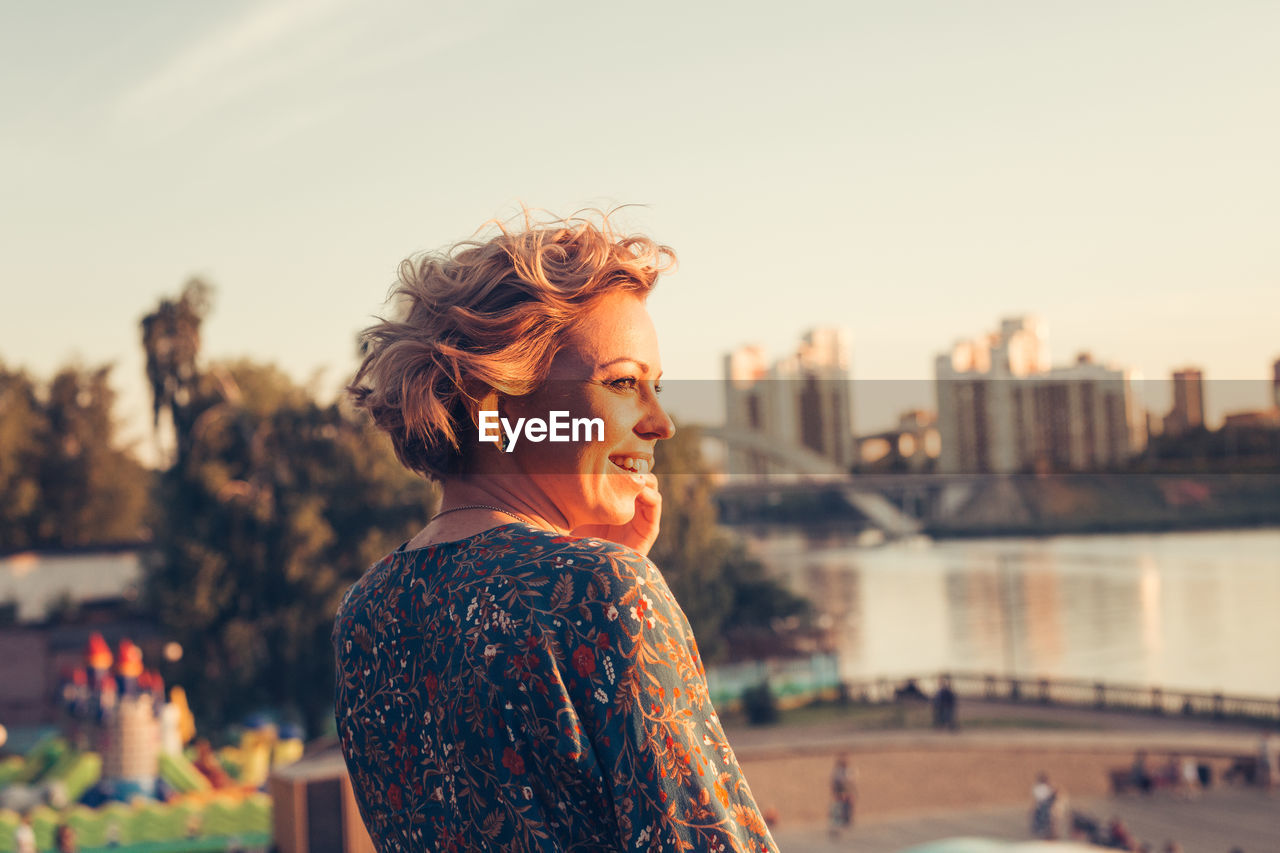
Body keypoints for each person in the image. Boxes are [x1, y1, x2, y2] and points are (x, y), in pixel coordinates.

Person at [333, 213, 778, 851]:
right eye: (623, 383)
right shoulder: (600, 594)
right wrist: (613, 593)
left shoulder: (366, 611)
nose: (660, 423)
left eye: (656, 387)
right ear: (499, 400)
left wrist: (591, 568)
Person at [828, 754, 856, 837]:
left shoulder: (848, 770)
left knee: (847, 807)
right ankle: (839, 824)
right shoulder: (838, 771)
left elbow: (851, 781)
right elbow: (837, 782)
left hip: (846, 792)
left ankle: (845, 822)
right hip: (841, 792)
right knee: (839, 807)